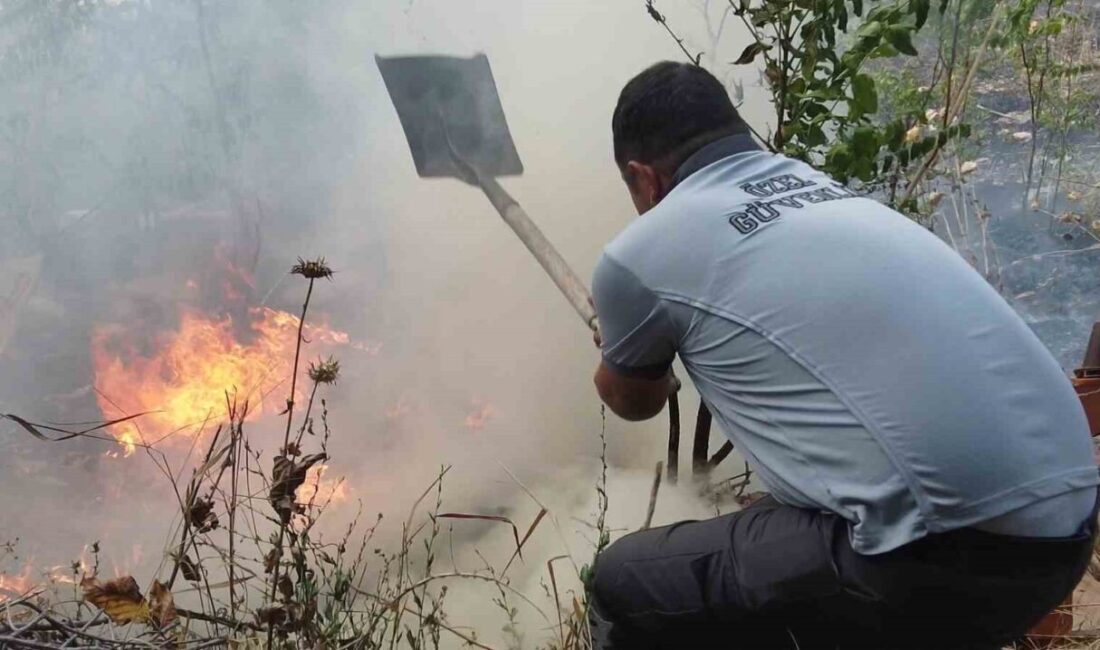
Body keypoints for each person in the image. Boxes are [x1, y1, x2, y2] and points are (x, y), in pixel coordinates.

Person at [587, 61, 1099, 650]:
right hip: (1069, 528)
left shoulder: (639, 255)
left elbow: (634, 401)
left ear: (642, 177)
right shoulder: (822, 191)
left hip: (944, 563)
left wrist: (619, 347)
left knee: (623, 582)